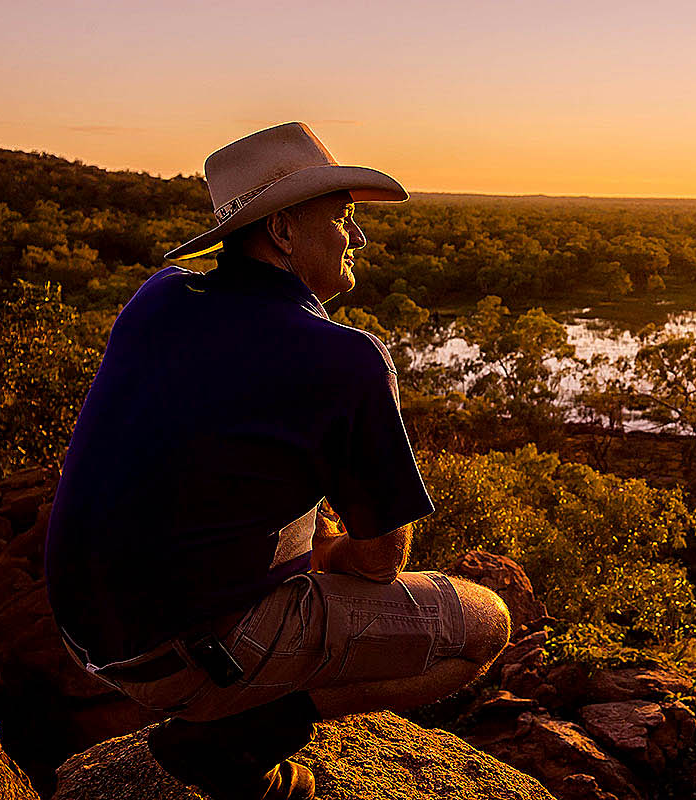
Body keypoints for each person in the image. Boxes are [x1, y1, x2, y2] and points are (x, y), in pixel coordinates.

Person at [43, 122, 511, 800]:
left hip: (87, 637)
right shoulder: (346, 357)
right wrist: (333, 559)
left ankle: (229, 703)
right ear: (285, 231)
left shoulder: (158, 297)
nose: (359, 238)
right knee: (485, 625)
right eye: (344, 218)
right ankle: (234, 740)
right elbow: (383, 558)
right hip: (188, 655)